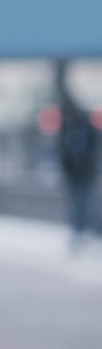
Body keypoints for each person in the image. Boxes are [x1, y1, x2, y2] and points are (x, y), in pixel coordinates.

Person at [52, 60, 100, 255]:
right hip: (75, 174)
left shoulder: (82, 126)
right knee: (80, 203)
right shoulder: (67, 128)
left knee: (85, 202)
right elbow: (63, 150)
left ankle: (87, 232)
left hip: (84, 172)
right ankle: (81, 232)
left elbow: (93, 146)